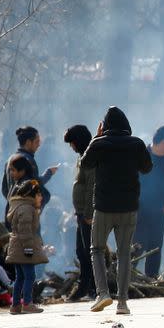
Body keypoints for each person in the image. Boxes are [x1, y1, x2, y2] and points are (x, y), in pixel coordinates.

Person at [82, 106, 153, 315]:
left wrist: (96, 138)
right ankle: (122, 302)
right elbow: (147, 168)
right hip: (128, 207)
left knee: (96, 249)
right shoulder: (136, 143)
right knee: (123, 254)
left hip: (103, 207)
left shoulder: (99, 143)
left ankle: (103, 293)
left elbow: (85, 164)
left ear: (105, 126)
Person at [134, 126, 164, 277]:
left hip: (159, 214)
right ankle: (127, 279)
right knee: (136, 247)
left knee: (155, 248)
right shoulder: (141, 156)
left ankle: (151, 279)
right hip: (139, 214)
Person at [63, 124, 96, 301]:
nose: (71, 147)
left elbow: (91, 186)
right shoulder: (82, 157)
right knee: (81, 251)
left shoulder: (89, 158)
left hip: (87, 214)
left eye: (72, 143)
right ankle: (85, 286)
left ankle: (90, 287)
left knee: (88, 252)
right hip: (81, 213)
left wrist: (89, 213)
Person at [6, 179, 49, 314]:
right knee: (30, 275)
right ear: (31, 195)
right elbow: (25, 231)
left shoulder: (20, 206)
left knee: (20, 277)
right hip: (24, 248)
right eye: (38, 195)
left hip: (17, 247)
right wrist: (29, 249)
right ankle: (28, 303)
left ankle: (16, 304)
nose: (41, 197)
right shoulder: (27, 209)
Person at [1, 126, 59, 209]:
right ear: (28, 142)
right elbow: (35, 184)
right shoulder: (28, 161)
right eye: (37, 141)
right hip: (27, 211)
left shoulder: (10, 159)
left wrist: (13, 202)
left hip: (12, 211)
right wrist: (49, 173)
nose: (39, 145)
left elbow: (4, 189)